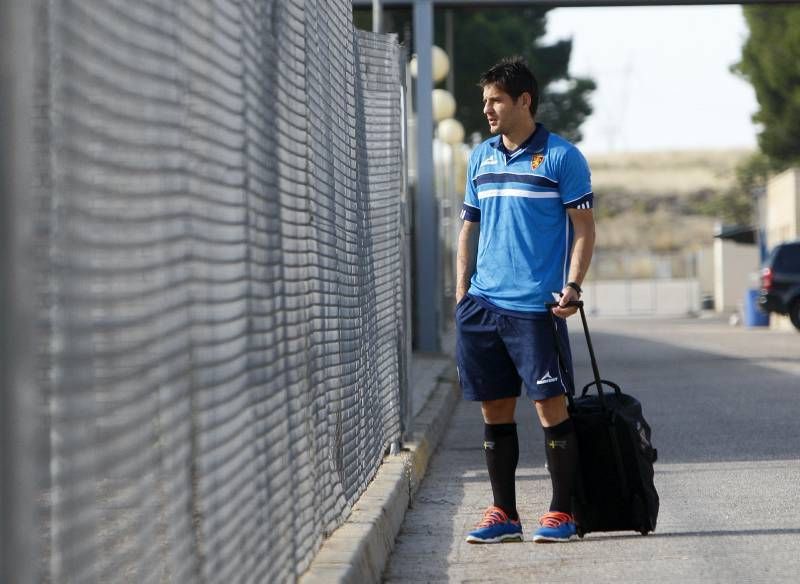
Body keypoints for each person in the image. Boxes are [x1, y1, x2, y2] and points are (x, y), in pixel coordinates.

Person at [455, 57, 595, 544]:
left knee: (549, 408)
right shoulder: (480, 157)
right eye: (485, 101)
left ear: (524, 101)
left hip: (536, 309)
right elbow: (468, 227)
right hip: (482, 307)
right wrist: (461, 294)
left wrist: (573, 287)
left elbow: (583, 231)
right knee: (494, 411)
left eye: (496, 100)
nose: (488, 110)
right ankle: (504, 513)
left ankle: (561, 512)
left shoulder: (562, 157)